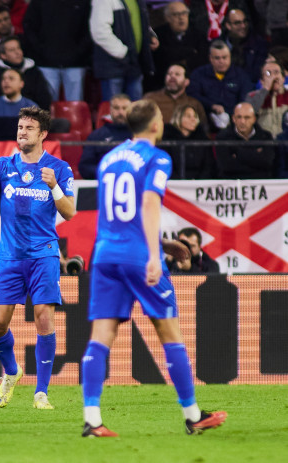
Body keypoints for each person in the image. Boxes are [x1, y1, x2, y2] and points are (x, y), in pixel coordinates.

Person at [80, 99, 227, 437]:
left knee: (100, 337)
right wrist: (152, 254)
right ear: (155, 125)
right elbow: (147, 203)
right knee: (168, 332)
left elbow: (117, 216)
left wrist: (160, 243)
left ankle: (92, 419)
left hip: (104, 255)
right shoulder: (158, 158)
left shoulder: (108, 159)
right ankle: (193, 416)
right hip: (136, 255)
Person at [0, 106, 75, 410]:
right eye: (20, 127)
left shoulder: (58, 169)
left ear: (43, 134)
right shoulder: (4, 165)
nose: (22, 132)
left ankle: (41, 392)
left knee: (43, 316)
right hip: (9, 256)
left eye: (29, 128)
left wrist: (54, 187)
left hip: (44, 252)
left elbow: (70, 213)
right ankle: (11, 371)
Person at [22, 0, 92, 102]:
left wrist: (78, 52)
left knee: (75, 105)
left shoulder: (83, 2)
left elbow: (90, 29)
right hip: (46, 63)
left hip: (76, 63)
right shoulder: (38, 2)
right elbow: (29, 27)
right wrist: (42, 51)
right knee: (46, 104)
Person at [90, 0, 155, 101]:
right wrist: (123, 52)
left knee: (135, 112)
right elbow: (99, 31)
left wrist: (150, 36)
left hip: (134, 64)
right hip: (113, 67)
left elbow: (139, 21)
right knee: (113, 111)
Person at [187, 40, 252, 131]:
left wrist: (230, 114)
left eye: (224, 57)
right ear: (210, 58)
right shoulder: (199, 74)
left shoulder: (241, 76)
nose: (221, 61)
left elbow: (245, 100)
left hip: (234, 123)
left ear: (230, 57)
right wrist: (212, 106)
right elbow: (192, 95)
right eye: (217, 58)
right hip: (205, 122)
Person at [149, 2, 208, 91]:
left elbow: (202, 60)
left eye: (184, 13)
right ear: (167, 18)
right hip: (162, 84)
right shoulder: (158, 35)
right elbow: (161, 59)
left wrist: (175, 53)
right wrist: (190, 51)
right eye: (176, 15)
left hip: (193, 83)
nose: (181, 18)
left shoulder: (199, 35)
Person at [0, 36, 52, 111]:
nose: (17, 52)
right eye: (12, 50)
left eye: (18, 48)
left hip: (32, 115)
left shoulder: (33, 71)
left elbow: (44, 98)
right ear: (3, 55)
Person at [78, 93, 133, 180]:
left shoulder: (139, 135)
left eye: (124, 108)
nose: (120, 112)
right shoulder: (96, 136)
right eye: (116, 108)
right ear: (110, 110)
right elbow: (85, 167)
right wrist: (107, 172)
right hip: (104, 183)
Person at [215, 102, 275, 179]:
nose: (242, 121)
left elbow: (268, 163)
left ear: (254, 119)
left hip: (260, 184)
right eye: (239, 117)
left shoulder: (265, 136)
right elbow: (226, 166)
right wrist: (255, 156)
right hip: (232, 184)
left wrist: (237, 152)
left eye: (247, 117)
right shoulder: (223, 137)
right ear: (233, 119)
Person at [143, 64, 207, 130]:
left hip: (185, 139)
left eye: (177, 74)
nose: (172, 76)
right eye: (169, 74)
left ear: (186, 82)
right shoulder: (150, 98)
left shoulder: (194, 103)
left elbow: (204, 129)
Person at [0, 68, 38, 141]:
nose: (6, 81)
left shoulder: (31, 108)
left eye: (11, 78)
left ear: (21, 84)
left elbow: (34, 137)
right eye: (3, 79)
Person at [162, 104, 215, 179]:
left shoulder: (202, 139)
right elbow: (165, 165)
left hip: (199, 185)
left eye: (195, 116)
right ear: (178, 118)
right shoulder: (167, 139)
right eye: (188, 116)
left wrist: (198, 181)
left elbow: (209, 165)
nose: (193, 119)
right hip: (174, 184)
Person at [217, 8, 269, 85]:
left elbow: (256, 74)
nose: (243, 26)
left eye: (245, 21)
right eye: (237, 23)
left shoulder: (259, 44)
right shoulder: (217, 45)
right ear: (228, 25)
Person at [245, 60, 288, 137]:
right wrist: (266, 90)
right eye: (268, 73)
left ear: (283, 78)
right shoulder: (252, 96)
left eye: (276, 72)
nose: (273, 77)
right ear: (261, 81)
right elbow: (247, 116)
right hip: (264, 143)